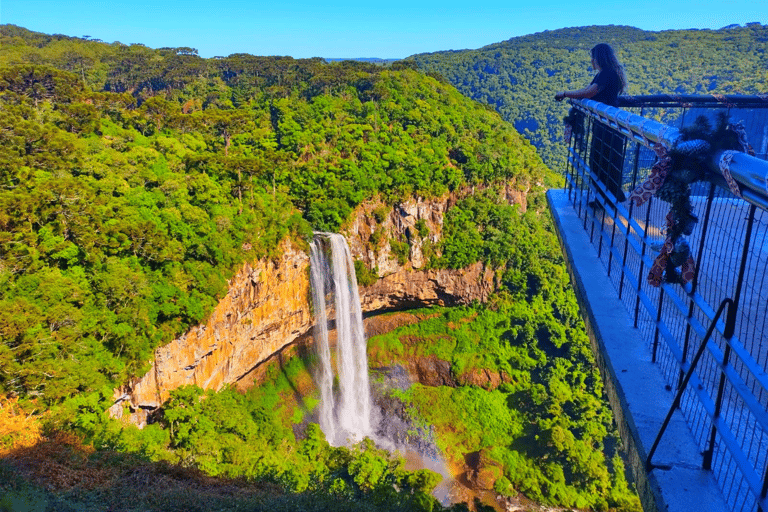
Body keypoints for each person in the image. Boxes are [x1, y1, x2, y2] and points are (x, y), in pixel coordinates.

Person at [555, 43, 628, 206]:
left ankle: (605, 200)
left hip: (607, 125)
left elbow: (589, 92)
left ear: (599, 58)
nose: (591, 61)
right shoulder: (608, 73)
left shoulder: (606, 74)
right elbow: (589, 90)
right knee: (608, 160)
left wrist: (565, 94)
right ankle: (613, 195)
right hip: (609, 123)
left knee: (600, 161)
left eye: (592, 57)